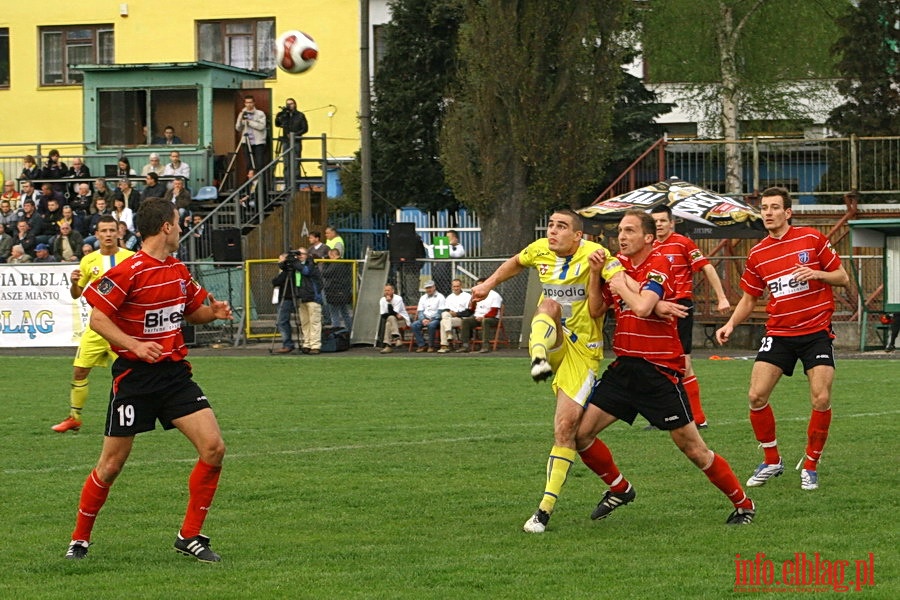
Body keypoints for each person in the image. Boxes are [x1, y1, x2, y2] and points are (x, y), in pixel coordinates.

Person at [63, 197, 232, 562]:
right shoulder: (130, 270)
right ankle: (79, 539)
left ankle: (190, 536)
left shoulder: (178, 270)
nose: (182, 227)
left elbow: (193, 313)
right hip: (135, 378)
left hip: (174, 376)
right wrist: (135, 345)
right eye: (178, 221)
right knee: (110, 466)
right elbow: (98, 319)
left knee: (214, 448)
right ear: (166, 227)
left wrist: (213, 313)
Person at [575, 209, 757, 527]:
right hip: (625, 368)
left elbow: (644, 307)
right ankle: (620, 488)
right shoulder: (615, 267)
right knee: (580, 435)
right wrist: (596, 275)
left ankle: (743, 505)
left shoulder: (659, 263)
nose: (622, 236)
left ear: (648, 237)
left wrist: (622, 284)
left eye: (630, 230)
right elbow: (594, 309)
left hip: (658, 371)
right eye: (620, 230)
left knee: (693, 448)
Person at [469, 208, 627, 534]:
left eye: (562, 226)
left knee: (565, 429)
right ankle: (538, 358)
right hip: (551, 338)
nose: (552, 231)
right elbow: (516, 261)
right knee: (549, 306)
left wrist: (635, 295)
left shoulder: (596, 256)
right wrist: (488, 283)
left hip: (582, 354)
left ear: (578, 235)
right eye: (551, 225)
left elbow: (612, 292)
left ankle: (543, 511)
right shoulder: (540, 248)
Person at [715, 187, 849, 492]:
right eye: (764, 208)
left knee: (821, 397)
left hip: (815, 332)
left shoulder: (811, 239)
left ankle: (811, 464)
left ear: (787, 212)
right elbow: (750, 298)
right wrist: (730, 324)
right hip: (779, 333)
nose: (768, 213)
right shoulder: (758, 253)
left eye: (775, 207)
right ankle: (772, 460)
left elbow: (842, 277)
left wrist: (816, 273)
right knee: (755, 396)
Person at [649, 204, 731, 429]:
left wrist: (721, 297)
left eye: (663, 221)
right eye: (655, 221)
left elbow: (707, 268)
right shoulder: (649, 247)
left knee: (683, 362)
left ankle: (698, 418)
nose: (659, 225)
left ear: (671, 223)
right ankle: (665, 416)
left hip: (680, 306)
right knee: (656, 363)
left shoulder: (682, 243)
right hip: (656, 308)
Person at [52, 216, 135, 433]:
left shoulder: (131, 258)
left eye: (111, 230)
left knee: (129, 376)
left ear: (119, 232)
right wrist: (73, 283)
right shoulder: (88, 260)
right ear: (96, 234)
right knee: (79, 371)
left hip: (123, 329)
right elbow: (76, 294)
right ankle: (74, 417)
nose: (108, 234)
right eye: (103, 231)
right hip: (97, 327)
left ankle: (130, 416)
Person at [272, 247, 324, 354]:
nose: (299, 256)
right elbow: (283, 268)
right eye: (298, 254)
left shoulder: (311, 265)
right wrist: (287, 260)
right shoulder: (296, 266)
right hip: (301, 297)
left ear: (307, 255)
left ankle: (315, 345)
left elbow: (306, 271)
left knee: (314, 322)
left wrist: (295, 262)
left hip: (312, 297)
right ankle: (307, 343)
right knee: (305, 323)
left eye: (302, 254)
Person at [459, 277, 503, 353]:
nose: (479, 287)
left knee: (485, 321)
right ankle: (465, 345)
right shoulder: (477, 294)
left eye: (481, 285)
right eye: (478, 285)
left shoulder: (495, 295)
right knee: (466, 321)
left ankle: (485, 346)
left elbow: (494, 312)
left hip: (492, 318)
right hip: (477, 317)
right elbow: (472, 309)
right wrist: (472, 301)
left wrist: (483, 317)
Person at [321, 247, 354, 331]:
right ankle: (349, 329)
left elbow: (325, 274)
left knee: (334, 312)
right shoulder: (346, 263)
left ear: (333, 255)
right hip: (344, 290)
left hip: (334, 291)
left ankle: (336, 330)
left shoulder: (335, 264)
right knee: (344, 311)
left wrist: (325, 263)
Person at [437, 278, 472, 353]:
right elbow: (446, 309)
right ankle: (448, 334)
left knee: (443, 322)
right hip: (450, 319)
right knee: (444, 316)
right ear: (452, 287)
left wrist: (457, 314)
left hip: (462, 319)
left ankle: (445, 345)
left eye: (457, 286)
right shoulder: (449, 297)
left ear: (461, 286)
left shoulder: (467, 296)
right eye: (454, 286)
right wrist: (450, 312)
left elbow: (469, 312)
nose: (456, 288)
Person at [428, 229, 466, 295]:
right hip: (437, 273)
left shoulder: (459, 248)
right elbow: (431, 250)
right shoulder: (442, 247)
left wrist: (449, 245)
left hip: (448, 275)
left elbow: (453, 254)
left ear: (455, 238)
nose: (446, 239)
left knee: (447, 293)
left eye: (449, 237)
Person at [411, 280, 446, 352]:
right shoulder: (422, 297)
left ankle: (431, 346)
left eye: (430, 287)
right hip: (425, 318)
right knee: (414, 325)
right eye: (427, 288)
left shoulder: (440, 297)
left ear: (434, 287)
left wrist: (430, 319)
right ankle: (422, 345)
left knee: (431, 325)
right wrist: (423, 319)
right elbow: (420, 311)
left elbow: (440, 312)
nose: (428, 290)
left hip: (436, 319)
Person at [235, 95, 268, 171]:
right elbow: (238, 128)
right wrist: (240, 121)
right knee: (248, 164)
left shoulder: (260, 113)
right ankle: (251, 180)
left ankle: (259, 181)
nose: (249, 104)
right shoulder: (242, 113)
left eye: (250, 102)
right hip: (246, 141)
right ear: (244, 103)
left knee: (259, 163)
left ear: (254, 103)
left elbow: (261, 126)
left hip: (258, 142)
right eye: (247, 103)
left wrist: (249, 122)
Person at [275, 97, 309, 167]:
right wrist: (279, 116)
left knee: (296, 162)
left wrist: (295, 134)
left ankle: (296, 177)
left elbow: (305, 128)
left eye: (291, 104)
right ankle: (287, 177)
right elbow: (277, 124)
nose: (289, 106)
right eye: (288, 104)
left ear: (295, 104)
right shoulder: (284, 115)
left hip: (296, 141)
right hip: (286, 141)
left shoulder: (300, 115)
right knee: (286, 162)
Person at [378, 284, 412, 353]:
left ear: (393, 291)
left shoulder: (398, 298)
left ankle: (388, 346)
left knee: (389, 322)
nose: (386, 292)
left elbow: (393, 313)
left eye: (388, 290)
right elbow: (383, 315)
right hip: (393, 321)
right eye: (385, 290)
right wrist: (394, 314)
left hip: (402, 321)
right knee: (390, 319)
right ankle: (397, 339)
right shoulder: (382, 300)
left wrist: (389, 303)